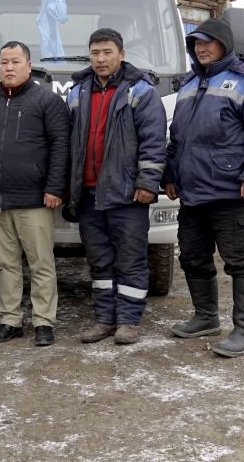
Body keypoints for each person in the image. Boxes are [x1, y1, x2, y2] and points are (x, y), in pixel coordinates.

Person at [163, 16, 244, 357]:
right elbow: (177, 139)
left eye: (207, 42)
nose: (201, 48)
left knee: (241, 263)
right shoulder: (187, 85)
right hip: (193, 195)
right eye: (196, 43)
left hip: (232, 193)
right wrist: (169, 175)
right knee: (193, 259)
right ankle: (206, 317)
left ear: (224, 44)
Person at [65, 28, 167, 345]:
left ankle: (128, 321)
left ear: (121, 54)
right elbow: (68, 143)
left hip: (126, 193)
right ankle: (104, 320)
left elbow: (154, 142)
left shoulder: (141, 91)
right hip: (89, 195)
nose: (101, 58)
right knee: (99, 261)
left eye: (107, 52)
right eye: (95, 52)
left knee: (131, 259)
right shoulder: (77, 91)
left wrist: (148, 182)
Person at [0, 40, 71, 346]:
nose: (9, 67)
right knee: (5, 264)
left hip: (34, 200)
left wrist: (54, 187)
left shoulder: (47, 101)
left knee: (41, 263)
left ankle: (43, 322)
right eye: (4, 62)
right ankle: (10, 320)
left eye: (15, 62)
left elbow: (61, 146)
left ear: (29, 66)